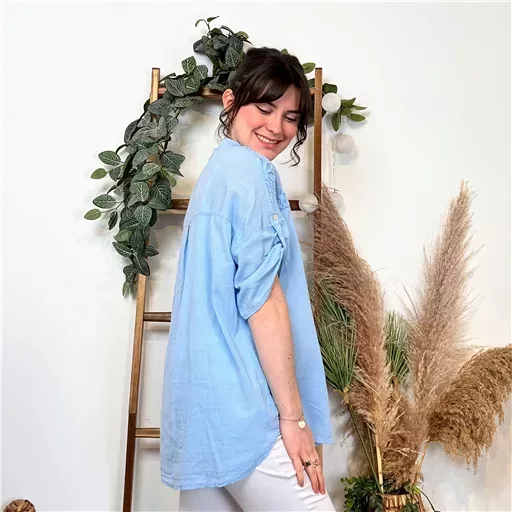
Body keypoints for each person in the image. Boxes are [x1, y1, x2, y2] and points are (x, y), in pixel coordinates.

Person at [160, 47, 336, 511]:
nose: (276, 128)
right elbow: (262, 302)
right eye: (264, 108)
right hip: (245, 407)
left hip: (202, 410)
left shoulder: (216, 173)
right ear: (231, 102)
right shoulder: (250, 172)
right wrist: (293, 420)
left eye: (291, 117)